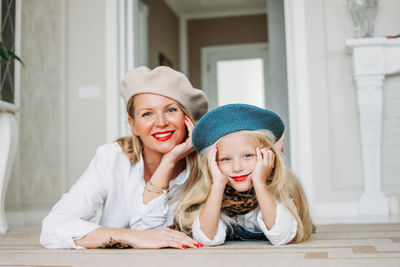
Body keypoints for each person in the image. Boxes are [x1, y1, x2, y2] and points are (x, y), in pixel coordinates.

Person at [40, 66, 208, 249]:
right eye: (147, 114)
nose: (161, 122)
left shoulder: (207, 165)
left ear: (187, 118)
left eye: (170, 110)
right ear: (133, 125)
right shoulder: (111, 158)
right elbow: (52, 228)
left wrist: (169, 160)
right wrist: (134, 237)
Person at [174, 104, 313, 246]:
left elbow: (282, 236)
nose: (237, 168)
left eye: (248, 156)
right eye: (226, 159)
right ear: (213, 163)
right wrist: (218, 184)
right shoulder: (214, 192)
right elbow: (206, 239)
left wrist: (260, 183)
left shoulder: (279, 188)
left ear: (266, 155)